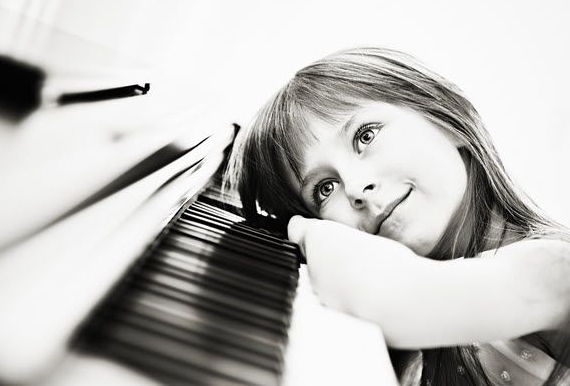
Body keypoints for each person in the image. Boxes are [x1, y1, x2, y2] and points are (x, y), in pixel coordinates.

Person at [225, 48, 570, 385]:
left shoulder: (554, 269)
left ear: (443, 114)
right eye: (325, 189)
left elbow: (397, 298)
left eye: (366, 135)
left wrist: (303, 231)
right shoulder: (400, 348)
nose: (356, 187)